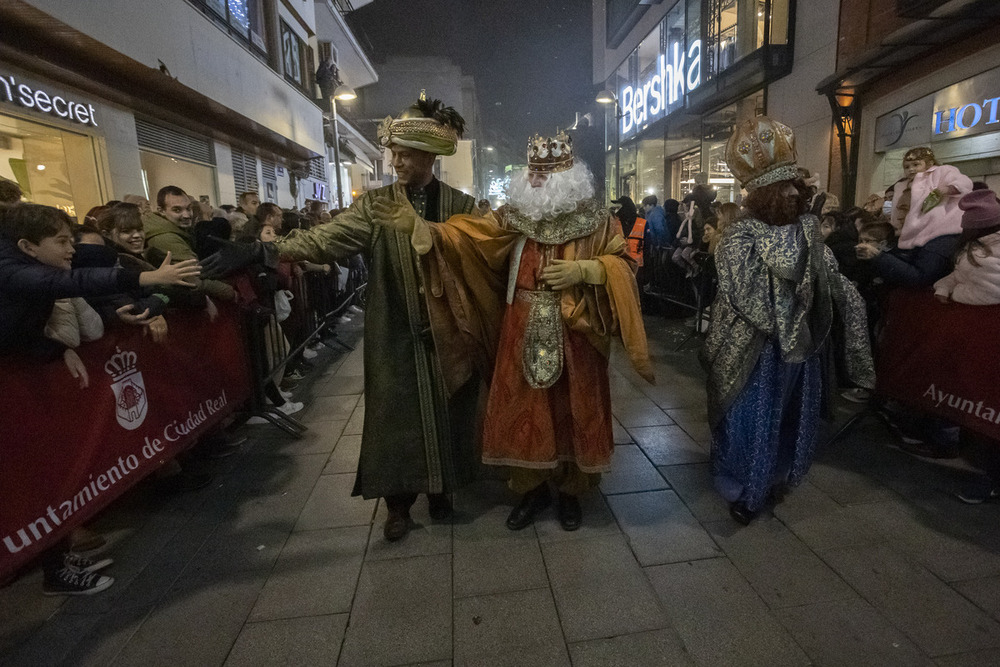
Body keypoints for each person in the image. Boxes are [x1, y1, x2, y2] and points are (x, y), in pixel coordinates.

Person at [203, 97, 478, 542]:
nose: (395, 161)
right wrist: (263, 249)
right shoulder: (376, 206)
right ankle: (398, 505)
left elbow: (480, 253)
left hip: (447, 332)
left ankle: (442, 489)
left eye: (405, 153)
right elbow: (325, 240)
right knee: (394, 416)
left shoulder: (461, 205)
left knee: (449, 410)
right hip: (394, 330)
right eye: (393, 152)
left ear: (429, 155)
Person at [369, 131, 654, 531]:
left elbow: (624, 264)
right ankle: (531, 490)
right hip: (519, 333)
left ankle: (572, 492)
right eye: (532, 174)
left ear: (569, 177)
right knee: (526, 413)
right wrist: (426, 229)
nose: (535, 182)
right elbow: (470, 235)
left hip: (577, 335)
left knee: (573, 410)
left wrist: (586, 269)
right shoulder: (512, 216)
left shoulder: (598, 221)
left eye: (545, 175)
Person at [701, 116, 874, 525]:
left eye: (798, 186)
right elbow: (755, 293)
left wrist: (849, 309)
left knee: (789, 418)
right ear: (764, 194)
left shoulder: (804, 232)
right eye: (787, 187)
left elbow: (830, 279)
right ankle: (745, 489)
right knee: (751, 421)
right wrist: (810, 234)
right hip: (756, 350)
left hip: (800, 348)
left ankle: (775, 476)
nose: (797, 194)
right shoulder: (740, 236)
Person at [861, 147, 973, 287]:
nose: (911, 169)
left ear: (929, 163)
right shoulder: (902, 185)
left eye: (916, 164)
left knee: (919, 276)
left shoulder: (941, 172)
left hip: (940, 232)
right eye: (907, 167)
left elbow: (964, 183)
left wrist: (946, 189)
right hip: (914, 234)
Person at [933, 188, 1000, 305]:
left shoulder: (980, 257)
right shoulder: (980, 248)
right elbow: (965, 273)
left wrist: (956, 292)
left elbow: (988, 294)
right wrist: (944, 286)